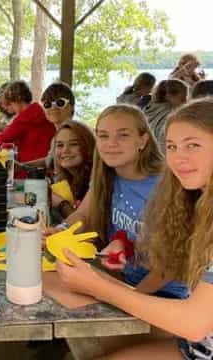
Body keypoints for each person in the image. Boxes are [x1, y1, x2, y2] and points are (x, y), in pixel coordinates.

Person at [56, 99, 213, 359]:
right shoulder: (190, 197)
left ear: (143, 141)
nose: (178, 157)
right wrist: (122, 247)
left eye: (193, 145)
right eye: (172, 146)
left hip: (186, 325)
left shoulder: (168, 188)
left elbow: (195, 324)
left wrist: (102, 288)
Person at [46, 104, 187, 299]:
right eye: (103, 136)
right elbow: (83, 215)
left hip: (163, 294)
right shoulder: (106, 175)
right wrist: (60, 231)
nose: (111, 143)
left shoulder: (168, 184)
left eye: (123, 135)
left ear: (143, 140)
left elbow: (171, 265)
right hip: (121, 281)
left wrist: (128, 297)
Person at [0, 80, 56, 177]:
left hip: (32, 167)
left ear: (18, 99)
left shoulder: (26, 116)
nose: (9, 107)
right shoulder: (37, 110)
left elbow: (5, 137)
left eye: (10, 103)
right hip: (44, 164)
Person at [50, 120, 95, 219]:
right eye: (60, 145)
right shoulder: (66, 179)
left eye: (74, 144)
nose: (65, 150)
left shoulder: (96, 179)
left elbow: (83, 226)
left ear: (88, 146)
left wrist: (61, 203)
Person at [144, 79, 188, 151]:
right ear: (168, 96)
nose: (186, 102)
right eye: (183, 98)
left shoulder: (147, 111)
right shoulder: (173, 116)